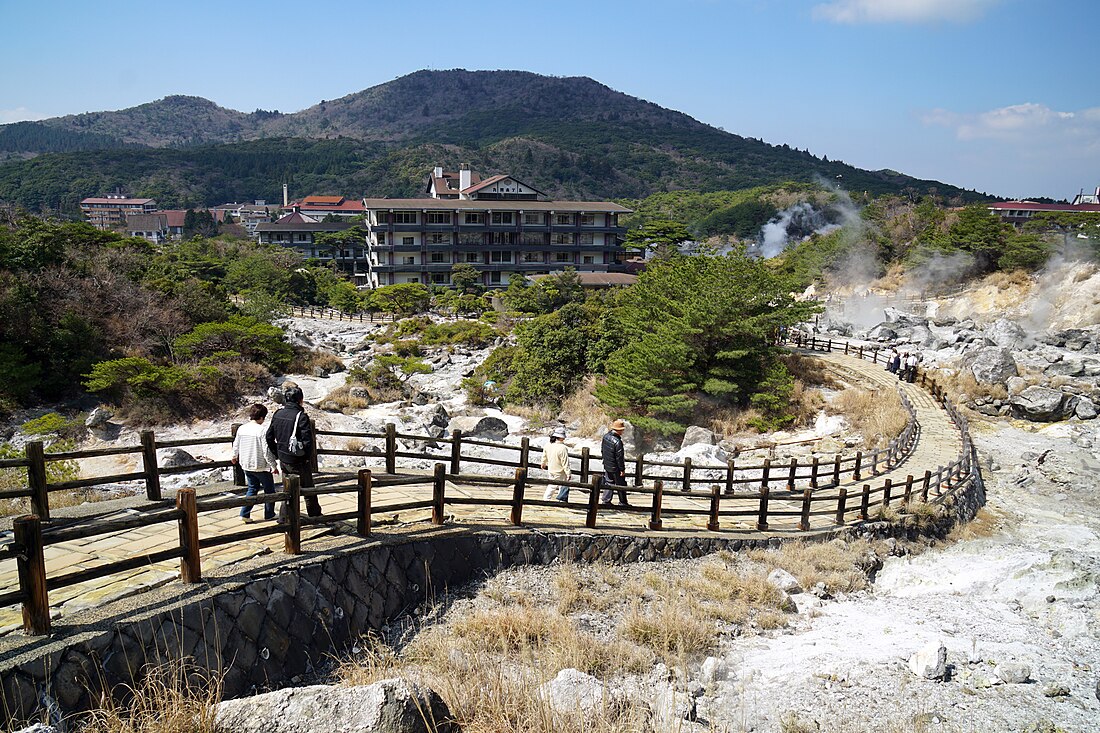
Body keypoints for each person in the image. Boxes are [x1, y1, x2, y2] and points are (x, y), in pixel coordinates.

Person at [266, 383, 323, 518]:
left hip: (284, 459)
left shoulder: (278, 414)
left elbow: (269, 437)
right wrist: (307, 457)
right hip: (299, 460)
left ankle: (284, 518)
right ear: (300, 400)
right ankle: (315, 516)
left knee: (287, 489)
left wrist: (277, 452)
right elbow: (308, 442)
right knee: (308, 489)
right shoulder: (301, 416)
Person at [232, 403, 278, 523]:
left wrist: (234, 456)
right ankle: (269, 514)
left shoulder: (242, 428)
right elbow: (266, 450)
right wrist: (273, 465)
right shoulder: (262, 430)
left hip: (246, 464)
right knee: (270, 491)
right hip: (260, 465)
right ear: (262, 417)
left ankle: (244, 513)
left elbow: (236, 444)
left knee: (252, 489)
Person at [599, 419, 630, 507]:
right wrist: (622, 469)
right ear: (619, 430)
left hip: (607, 464)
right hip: (615, 467)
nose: (623, 431)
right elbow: (619, 458)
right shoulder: (617, 442)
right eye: (622, 430)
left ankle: (606, 500)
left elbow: (603, 450)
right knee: (621, 484)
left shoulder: (606, 437)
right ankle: (623, 502)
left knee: (609, 482)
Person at [541, 427, 571, 502]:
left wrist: (543, 463)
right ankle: (561, 501)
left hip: (551, 469)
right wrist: (568, 473)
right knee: (562, 486)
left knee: (551, 485)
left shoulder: (548, 445)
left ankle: (546, 499)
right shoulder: (563, 448)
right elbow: (565, 462)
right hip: (560, 471)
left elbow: (544, 455)